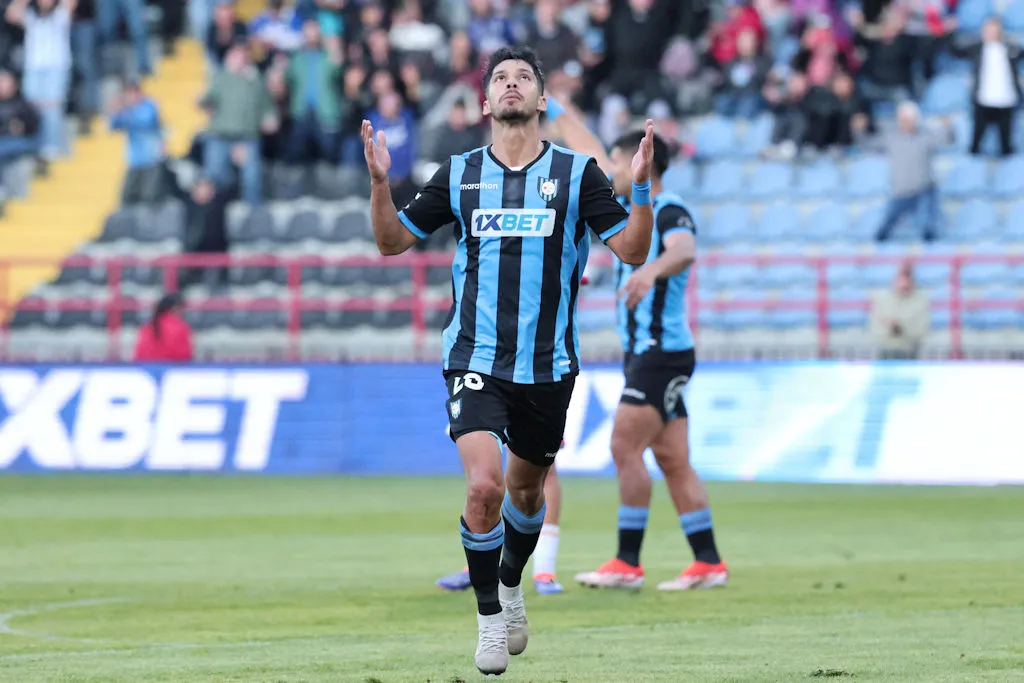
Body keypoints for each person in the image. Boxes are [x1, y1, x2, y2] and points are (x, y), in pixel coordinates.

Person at [362, 45, 655, 676]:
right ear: (486, 101)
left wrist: (644, 188)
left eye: (524, 77)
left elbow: (632, 251)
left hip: (548, 366)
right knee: (484, 485)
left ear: (542, 100)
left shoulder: (578, 175)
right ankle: (491, 616)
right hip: (475, 357)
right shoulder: (458, 173)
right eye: (501, 78)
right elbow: (390, 243)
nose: (512, 85)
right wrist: (382, 182)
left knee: (526, 491)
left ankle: (514, 582)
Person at [546, 103, 727, 592]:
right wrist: (555, 108)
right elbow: (589, 151)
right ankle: (708, 562)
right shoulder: (632, 210)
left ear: (641, 163)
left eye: (619, 162)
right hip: (647, 353)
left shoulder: (670, 209)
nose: (612, 170)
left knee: (623, 444)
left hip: (660, 352)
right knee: (672, 459)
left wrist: (648, 270)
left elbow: (685, 250)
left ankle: (627, 562)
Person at [868, 260, 930, 360]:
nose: (904, 282)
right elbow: (875, 329)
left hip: (909, 352)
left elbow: (921, 331)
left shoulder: (920, 303)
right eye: (901, 278)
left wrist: (900, 327)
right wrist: (890, 328)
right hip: (886, 352)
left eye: (907, 278)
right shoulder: (882, 302)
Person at [133, 293, 193, 362]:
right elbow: (184, 356)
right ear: (176, 308)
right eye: (182, 309)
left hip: (146, 369)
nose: (184, 312)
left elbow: (140, 354)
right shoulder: (181, 327)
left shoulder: (148, 326)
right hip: (172, 369)